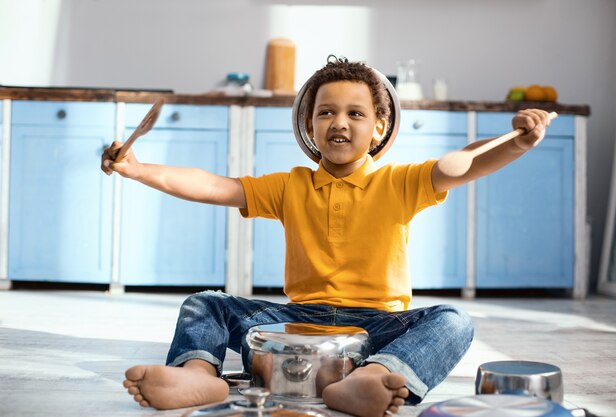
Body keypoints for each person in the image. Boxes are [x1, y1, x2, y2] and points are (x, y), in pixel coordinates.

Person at [101, 57, 553, 417]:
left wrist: (517, 143)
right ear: (310, 127)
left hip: (378, 324)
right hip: (298, 319)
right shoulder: (290, 185)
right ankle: (199, 374)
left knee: (454, 320)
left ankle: (374, 377)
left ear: (378, 127)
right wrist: (137, 169)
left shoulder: (401, 183)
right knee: (205, 304)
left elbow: (466, 163)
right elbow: (213, 185)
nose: (340, 122)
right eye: (327, 112)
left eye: (355, 113)